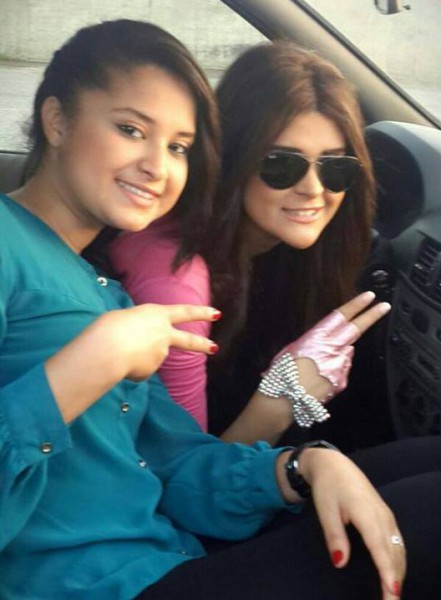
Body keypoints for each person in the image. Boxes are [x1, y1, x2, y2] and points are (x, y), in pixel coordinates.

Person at [2, 19, 441, 600]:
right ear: (57, 120)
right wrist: (88, 366)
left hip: (164, 558)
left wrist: (301, 467)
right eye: (131, 129)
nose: (158, 166)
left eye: (179, 147)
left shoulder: (103, 288)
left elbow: (172, 466)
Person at [108, 41, 389, 446]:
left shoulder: (286, 255)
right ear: (232, 158)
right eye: (282, 164)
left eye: (335, 167)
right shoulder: (175, 279)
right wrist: (283, 397)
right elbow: (185, 470)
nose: (313, 189)